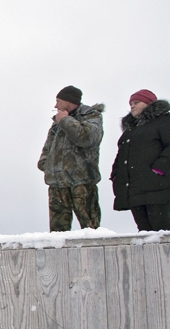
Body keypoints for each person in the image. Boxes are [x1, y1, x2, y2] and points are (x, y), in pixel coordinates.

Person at [38, 85, 104, 231]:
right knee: (57, 233)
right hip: (57, 182)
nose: (56, 105)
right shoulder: (57, 121)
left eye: (58, 101)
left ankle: (94, 254)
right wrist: (45, 164)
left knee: (91, 229)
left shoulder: (92, 116)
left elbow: (85, 138)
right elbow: (48, 147)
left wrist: (66, 120)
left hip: (81, 180)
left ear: (69, 101)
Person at [110, 90, 170, 231]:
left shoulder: (164, 121)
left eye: (137, 102)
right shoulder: (131, 130)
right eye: (130, 103)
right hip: (135, 191)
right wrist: (116, 175)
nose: (132, 106)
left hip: (158, 190)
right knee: (144, 234)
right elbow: (121, 155)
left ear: (149, 104)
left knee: (163, 233)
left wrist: (159, 169)